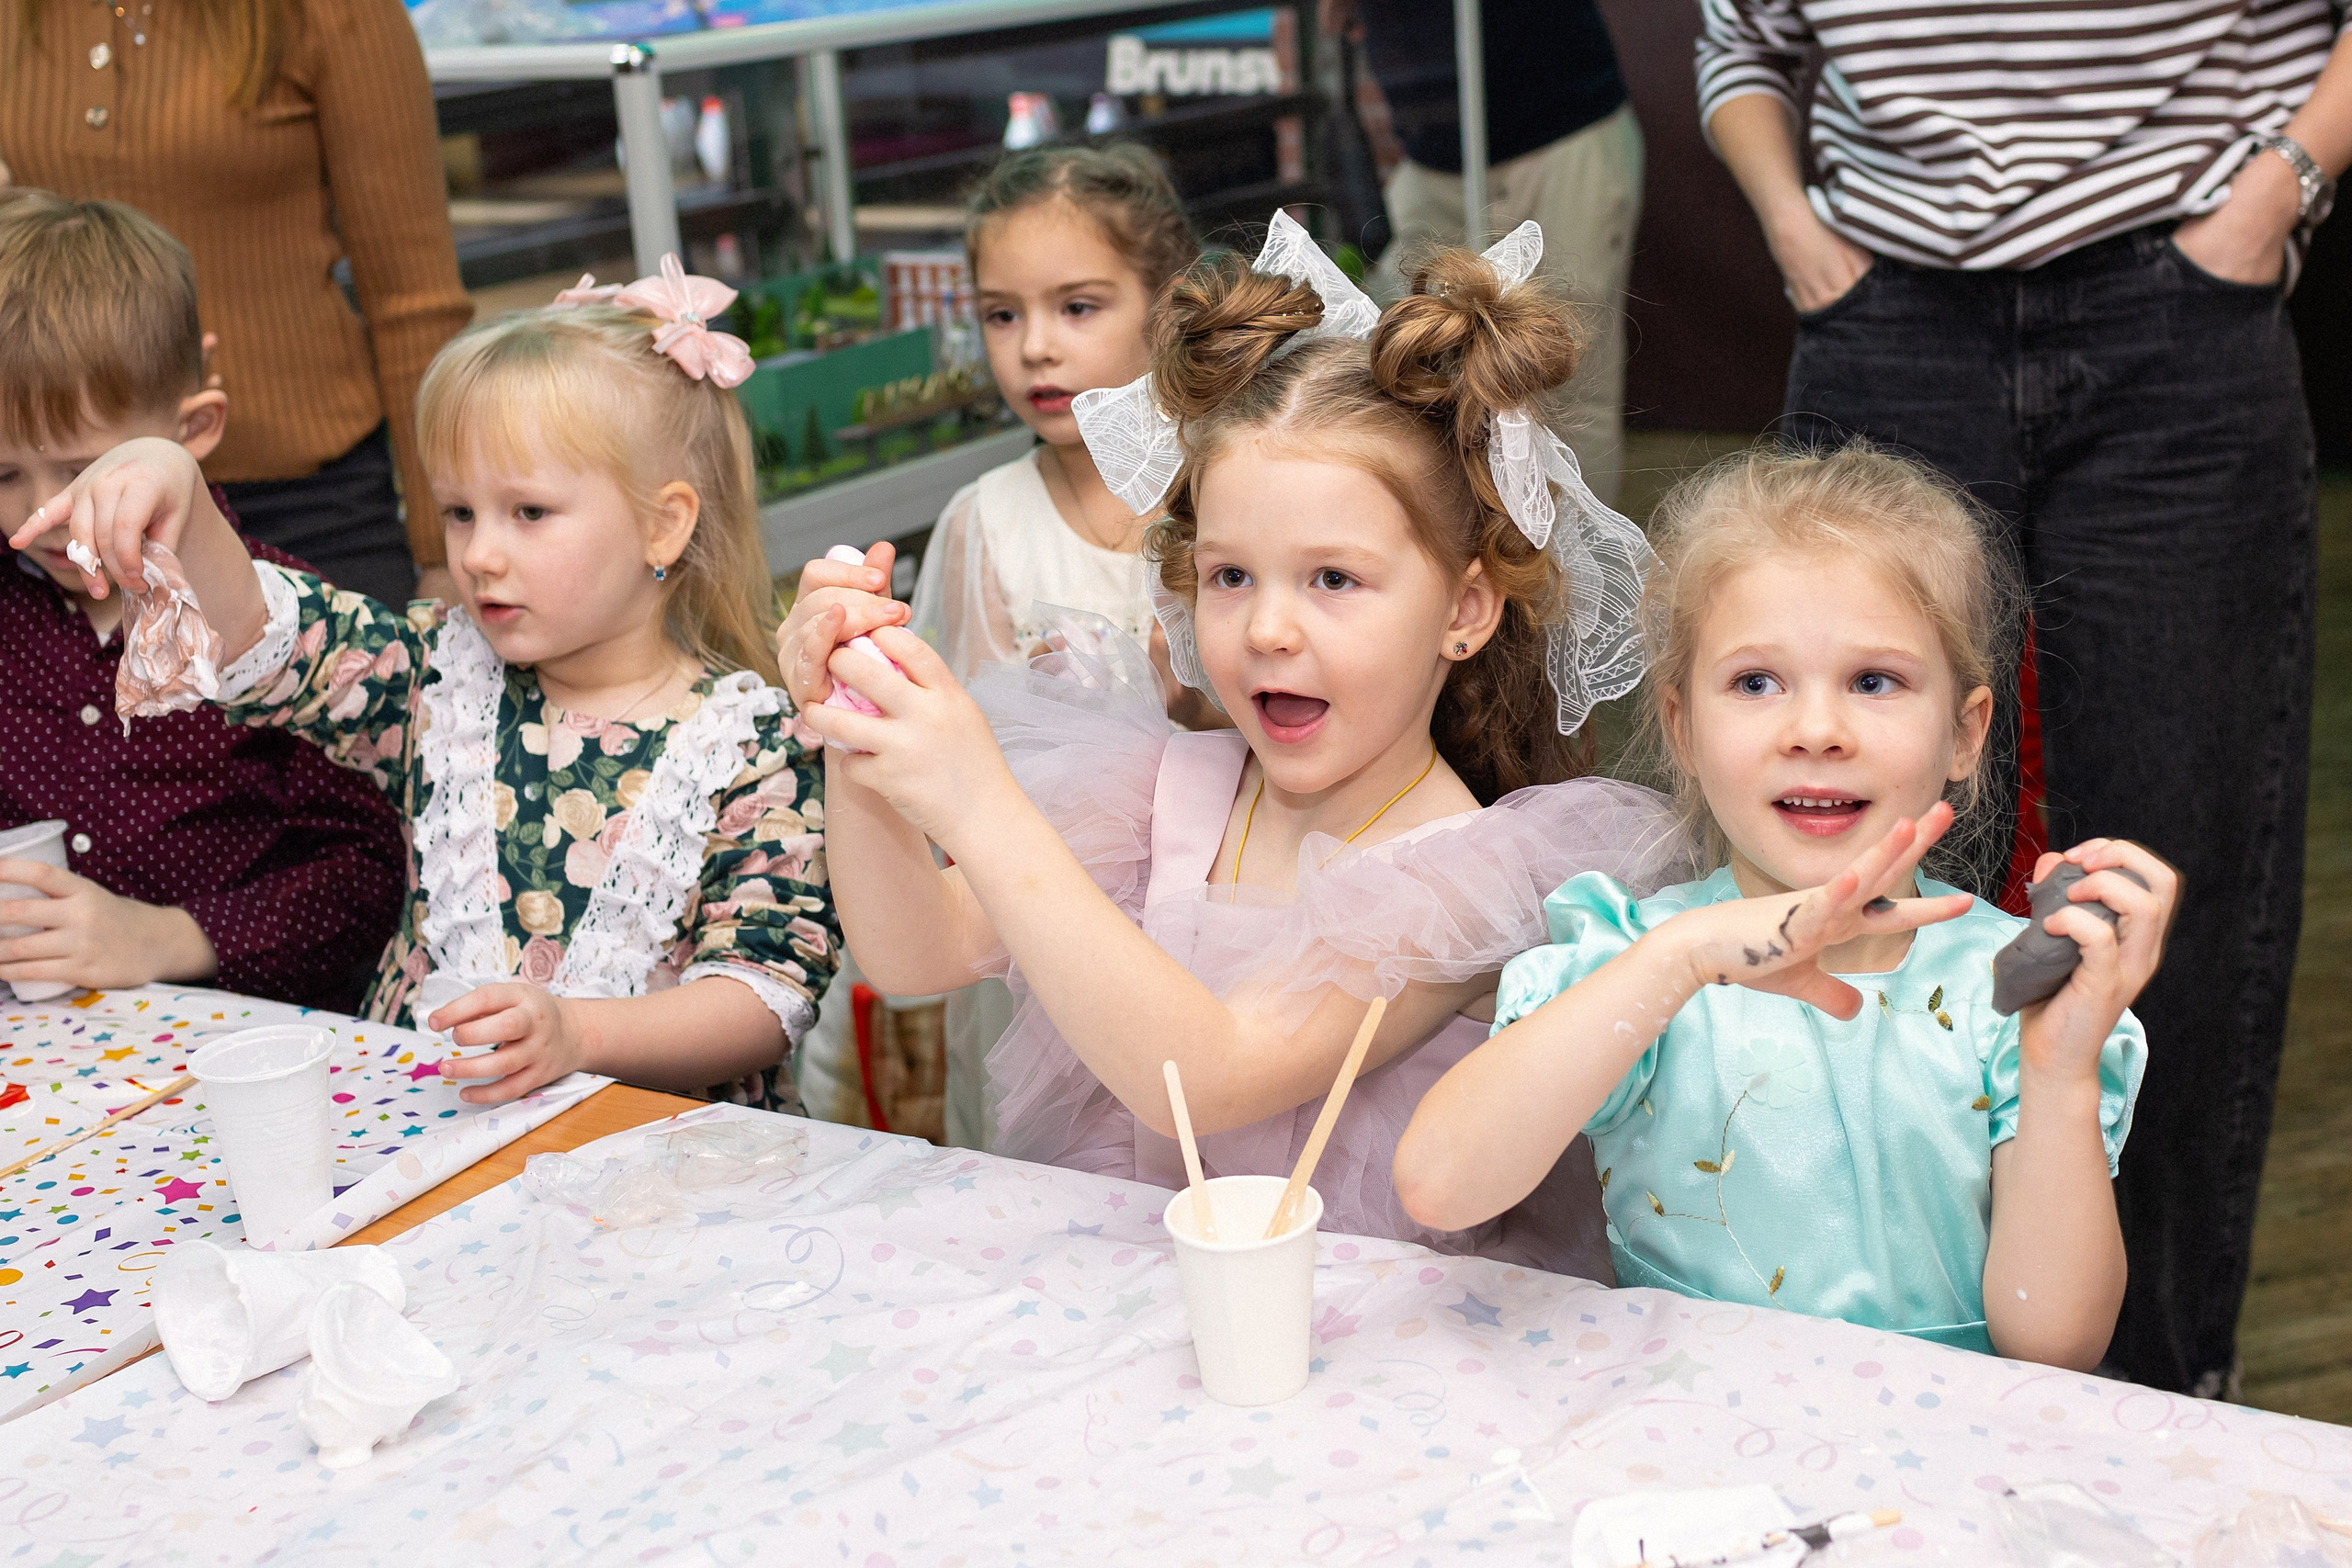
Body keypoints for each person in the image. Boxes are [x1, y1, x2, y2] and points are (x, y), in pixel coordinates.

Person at [779, 214, 1680, 1269]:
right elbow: (913, 948)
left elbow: (1206, 1072)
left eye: (1333, 579)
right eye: (1229, 575)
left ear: (1465, 611)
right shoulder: (1156, 794)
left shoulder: (1460, 882)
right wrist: (856, 722)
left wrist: (981, 804)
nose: (1266, 629)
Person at [1697, 0, 2346, 1396]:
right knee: (1863, 874)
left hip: (2177, 304)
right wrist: (1801, 238)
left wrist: (2270, 194)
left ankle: (2168, 1396)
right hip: (1889, 308)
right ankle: (1890, 1357)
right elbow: (1740, 37)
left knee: (2171, 877)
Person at [1396, 446, 2175, 1369]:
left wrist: (2058, 1071)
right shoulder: (1635, 957)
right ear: (1682, 727)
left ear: (1964, 733)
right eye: (1756, 683)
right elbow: (1442, 1189)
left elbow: (2052, 1344)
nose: (1815, 731)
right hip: (1696, 1452)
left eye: (1873, 681)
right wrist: (1676, 961)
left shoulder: (2010, 1000)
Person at [12, 259, 840, 1115]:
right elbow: (266, 635)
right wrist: (176, 483)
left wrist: (580, 1035)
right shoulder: (433, 676)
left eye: (528, 513)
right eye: (458, 512)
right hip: (432, 1135)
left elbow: (765, 993)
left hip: (661, 1169)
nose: (478, 553)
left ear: (665, 521)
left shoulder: (758, 742)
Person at [0, 189, 401, 1010]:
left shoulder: (281, 625)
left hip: (242, 1055)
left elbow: (368, 875)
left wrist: (167, 937)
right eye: (2, 475)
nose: (41, 512)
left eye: (86, 469)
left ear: (194, 431)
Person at [880, 143, 1203, 1149]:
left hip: (1211, 904)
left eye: (1078, 307)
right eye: (1001, 315)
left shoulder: (1227, 483)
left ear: (1165, 305)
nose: (1035, 350)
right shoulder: (987, 521)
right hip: (1043, 921)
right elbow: (960, 753)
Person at [0, 0, 472, 605]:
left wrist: (443, 550)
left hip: (301, 501)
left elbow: (415, 301)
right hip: (55, 506)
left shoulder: (328, 14)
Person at [1325, 0, 1643, 508]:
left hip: (1560, 136)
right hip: (1434, 154)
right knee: (1393, 357)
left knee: (1564, 377)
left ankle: (1569, 575)